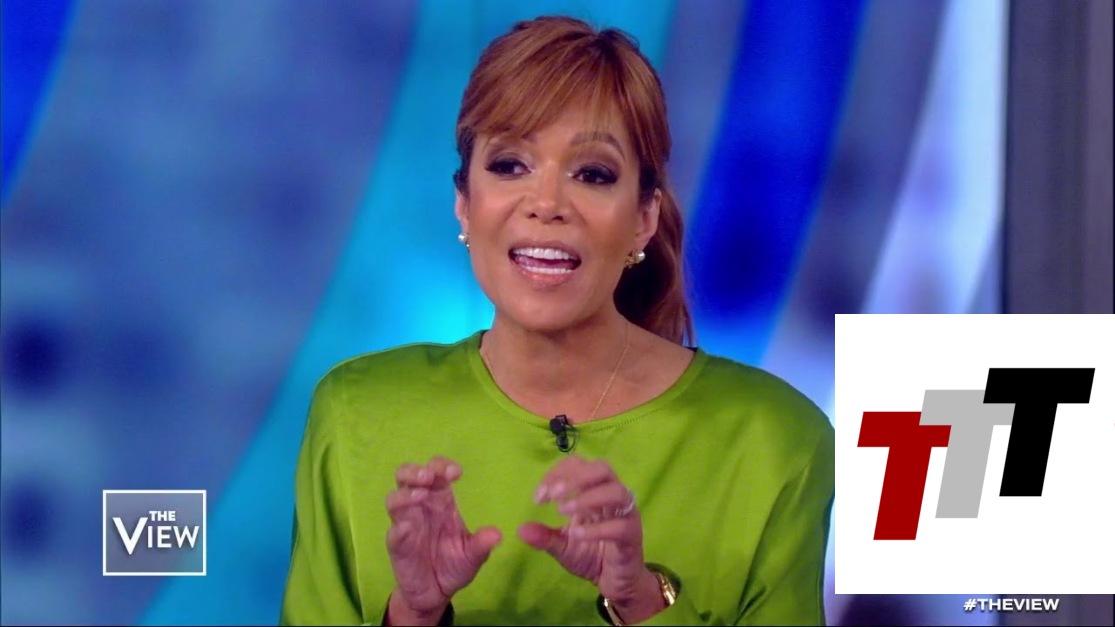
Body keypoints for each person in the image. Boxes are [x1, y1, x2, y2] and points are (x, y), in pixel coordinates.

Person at [280, 15, 833, 627]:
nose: (546, 204)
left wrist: (641, 603)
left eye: (592, 174)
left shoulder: (774, 439)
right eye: (510, 165)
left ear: (644, 219)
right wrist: (412, 613)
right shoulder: (357, 412)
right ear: (464, 203)